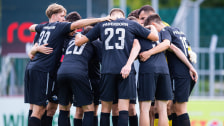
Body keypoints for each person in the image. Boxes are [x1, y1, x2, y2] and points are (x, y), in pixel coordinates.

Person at [27, 3, 113, 126]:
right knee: (40, 110)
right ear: (54, 16)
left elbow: (31, 27)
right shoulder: (61, 28)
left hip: (49, 71)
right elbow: (77, 25)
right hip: (47, 71)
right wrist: (101, 19)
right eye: (62, 16)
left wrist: (34, 49)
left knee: (50, 109)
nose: (64, 19)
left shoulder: (44, 27)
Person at [75, 8, 159, 126]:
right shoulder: (131, 24)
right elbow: (155, 37)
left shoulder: (102, 25)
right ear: (123, 16)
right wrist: (153, 27)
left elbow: (79, 42)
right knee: (123, 109)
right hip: (125, 70)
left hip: (107, 71)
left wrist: (78, 35)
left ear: (110, 16)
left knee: (105, 110)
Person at [143, 14, 198, 126]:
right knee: (172, 109)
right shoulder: (177, 30)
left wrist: (190, 67)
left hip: (180, 74)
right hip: (185, 74)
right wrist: (191, 67)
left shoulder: (164, 31)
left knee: (180, 110)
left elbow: (173, 47)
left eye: (152, 29)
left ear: (153, 24)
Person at [137, 17, 173, 126]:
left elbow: (135, 50)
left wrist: (148, 53)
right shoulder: (164, 32)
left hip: (148, 70)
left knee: (144, 109)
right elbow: (167, 44)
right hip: (163, 70)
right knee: (163, 110)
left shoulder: (141, 33)